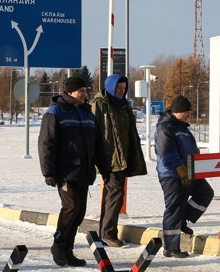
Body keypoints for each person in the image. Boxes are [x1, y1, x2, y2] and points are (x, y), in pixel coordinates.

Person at [39, 75, 108, 267]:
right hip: (65, 172)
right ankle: (58, 245)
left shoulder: (87, 113)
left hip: (84, 171)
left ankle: (68, 250)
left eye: (86, 91)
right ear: (70, 92)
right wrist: (48, 172)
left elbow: (98, 145)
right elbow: (46, 143)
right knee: (71, 208)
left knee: (79, 212)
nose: (85, 94)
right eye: (81, 91)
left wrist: (105, 169)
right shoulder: (56, 112)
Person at [90, 73, 147, 247]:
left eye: (124, 88)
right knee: (115, 194)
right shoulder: (100, 105)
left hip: (123, 158)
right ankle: (108, 233)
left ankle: (106, 232)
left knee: (114, 194)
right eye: (118, 88)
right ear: (110, 87)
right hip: (108, 158)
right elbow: (94, 132)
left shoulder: (125, 106)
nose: (121, 91)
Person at [155, 95, 213, 258]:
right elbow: (168, 154)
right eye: (187, 112)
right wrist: (180, 171)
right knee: (175, 208)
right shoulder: (166, 128)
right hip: (172, 175)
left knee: (205, 193)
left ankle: (182, 220)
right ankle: (171, 248)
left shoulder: (183, 128)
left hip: (190, 173)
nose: (189, 115)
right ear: (179, 111)